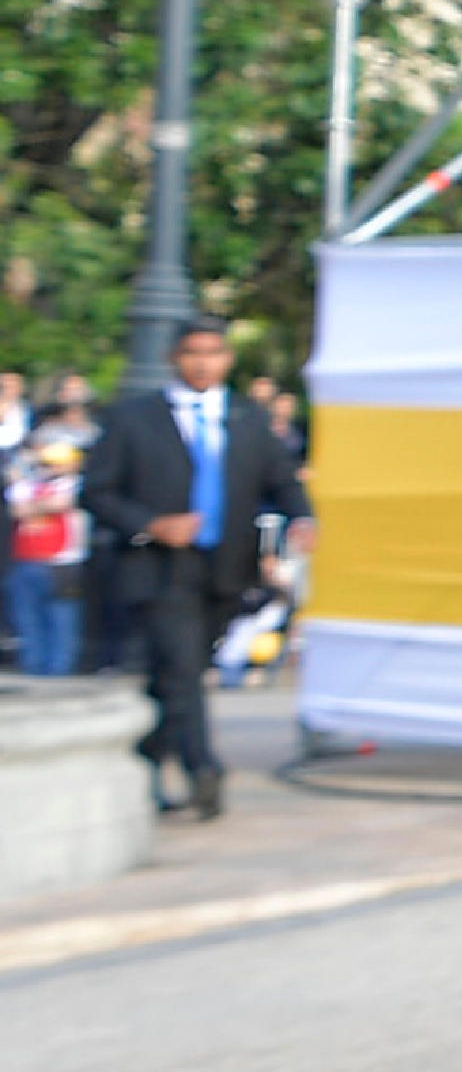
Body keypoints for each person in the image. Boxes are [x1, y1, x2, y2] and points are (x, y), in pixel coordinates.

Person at [81, 324, 313, 819]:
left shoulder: (248, 418)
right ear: (174, 357)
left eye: (213, 352)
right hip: (158, 567)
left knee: (174, 678)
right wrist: (151, 524)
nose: (203, 363)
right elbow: (96, 491)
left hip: (226, 569)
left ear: (228, 358)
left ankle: (142, 764)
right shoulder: (132, 417)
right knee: (183, 668)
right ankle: (203, 769)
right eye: (193, 352)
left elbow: (281, 481)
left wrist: (302, 518)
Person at [8, 435, 86, 677]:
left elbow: (60, 503)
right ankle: (34, 665)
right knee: (28, 616)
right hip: (27, 559)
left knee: (61, 617)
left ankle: (59, 667)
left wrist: (35, 505)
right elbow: (17, 508)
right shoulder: (30, 485)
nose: (51, 469)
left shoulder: (77, 484)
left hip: (62, 562)